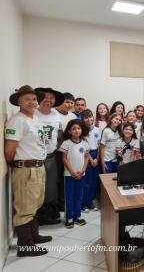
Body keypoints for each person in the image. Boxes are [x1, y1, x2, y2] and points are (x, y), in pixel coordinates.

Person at [5, 85, 51, 257]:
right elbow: (9, 151)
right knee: (25, 208)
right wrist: (20, 167)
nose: (32, 102)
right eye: (27, 99)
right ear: (19, 102)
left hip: (38, 167)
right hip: (26, 169)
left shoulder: (34, 119)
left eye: (33, 99)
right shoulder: (17, 120)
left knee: (35, 204)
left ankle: (34, 236)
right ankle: (25, 246)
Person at [34, 87, 65, 225]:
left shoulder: (56, 114)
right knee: (37, 187)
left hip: (51, 156)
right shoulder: (32, 113)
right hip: (35, 157)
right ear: (40, 98)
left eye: (51, 97)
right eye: (45, 96)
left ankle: (49, 215)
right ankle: (37, 217)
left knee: (51, 187)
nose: (49, 99)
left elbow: (59, 135)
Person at [59, 119, 89, 228]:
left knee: (79, 196)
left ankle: (77, 216)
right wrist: (72, 171)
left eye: (79, 128)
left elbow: (86, 157)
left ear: (82, 130)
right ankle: (69, 218)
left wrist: (82, 171)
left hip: (81, 174)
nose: (76, 130)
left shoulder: (85, 143)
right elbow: (64, 159)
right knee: (69, 197)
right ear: (69, 131)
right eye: (74, 129)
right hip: (69, 175)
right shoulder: (66, 143)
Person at [81, 109, 100, 212]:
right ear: (83, 119)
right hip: (86, 156)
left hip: (95, 154)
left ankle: (90, 202)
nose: (89, 119)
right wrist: (91, 159)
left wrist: (96, 158)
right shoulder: (82, 131)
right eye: (86, 117)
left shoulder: (97, 130)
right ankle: (83, 203)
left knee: (94, 180)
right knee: (86, 181)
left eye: (90, 116)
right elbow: (84, 147)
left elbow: (98, 145)